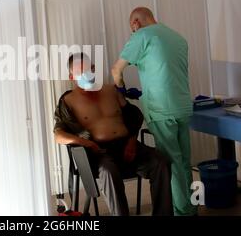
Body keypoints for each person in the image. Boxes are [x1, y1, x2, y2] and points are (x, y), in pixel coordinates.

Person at [53, 53, 173, 216]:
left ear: (94, 69)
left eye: (89, 69)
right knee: (108, 172)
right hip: (100, 153)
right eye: (80, 72)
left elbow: (134, 116)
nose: (86, 74)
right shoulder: (68, 101)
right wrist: (86, 142)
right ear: (72, 76)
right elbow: (58, 135)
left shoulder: (111, 90)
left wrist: (131, 140)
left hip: (128, 145)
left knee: (161, 162)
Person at [111, 7, 196, 216]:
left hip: (161, 110)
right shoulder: (177, 37)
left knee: (172, 162)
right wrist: (143, 92)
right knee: (185, 161)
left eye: (132, 29)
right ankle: (189, 207)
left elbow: (116, 70)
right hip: (183, 106)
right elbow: (165, 71)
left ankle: (182, 211)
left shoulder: (141, 35)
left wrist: (120, 88)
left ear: (135, 24)